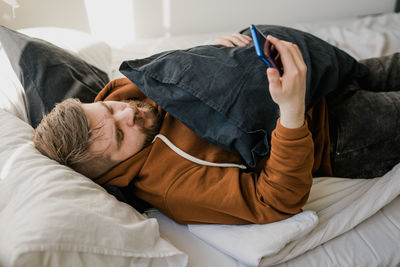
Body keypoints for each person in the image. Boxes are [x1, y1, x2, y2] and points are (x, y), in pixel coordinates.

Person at [33, 33, 400, 225]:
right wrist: (291, 112)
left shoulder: (123, 92)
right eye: (118, 136)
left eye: (109, 110)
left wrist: (217, 53)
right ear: (110, 171)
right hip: (333, 131)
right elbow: (272, 202)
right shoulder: (175, 187)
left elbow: (185, 78)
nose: (126, 115)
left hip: (319, 75)